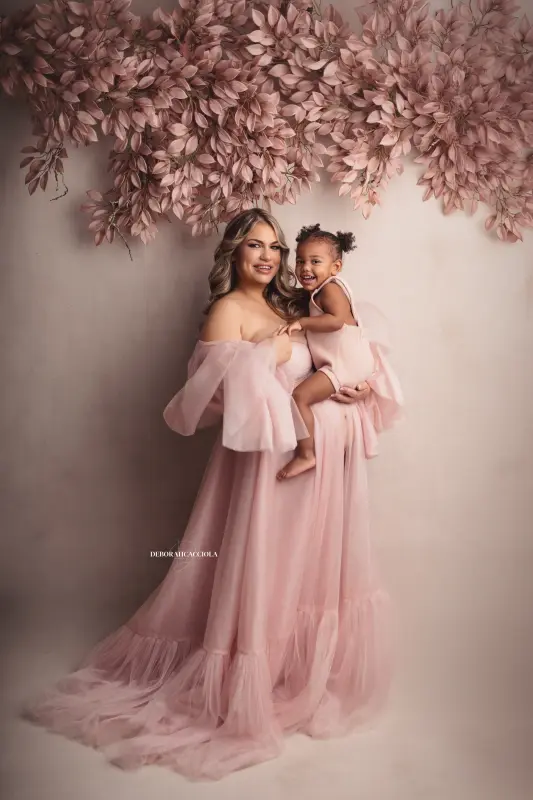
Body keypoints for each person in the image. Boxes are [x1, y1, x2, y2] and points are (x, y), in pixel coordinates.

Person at [22, 208, 403, 781]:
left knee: (300, 570)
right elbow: (218, 395)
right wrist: (272, 354)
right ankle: (241, 678)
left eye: (276, 246)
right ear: (234, 252)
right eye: (255, 245)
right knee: (262, 567)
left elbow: (336, 349)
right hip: (265, 467)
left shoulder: (291, 306)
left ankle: (289, 673)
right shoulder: (229, 311)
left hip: (319, 465)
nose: (269, 256)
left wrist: (351, 386)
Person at [277, 223, 377, 481]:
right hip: (347, 362)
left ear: (335, 268)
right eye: (300, 261)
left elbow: (337, 321)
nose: (305, 268)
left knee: (299, 397)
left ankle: (306, 454)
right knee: (301, 396)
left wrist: (302, 322)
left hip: (342, 365)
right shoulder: (321, 291)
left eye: (315, 261)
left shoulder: (330, 288)